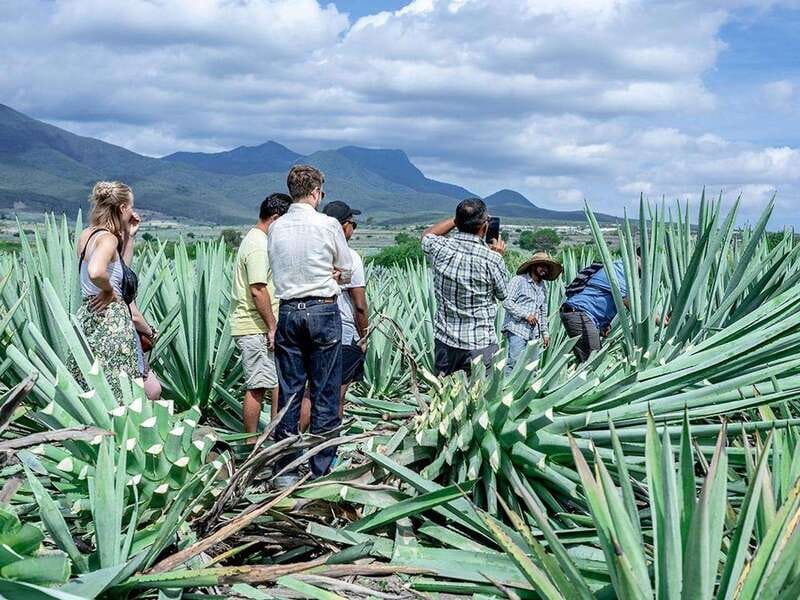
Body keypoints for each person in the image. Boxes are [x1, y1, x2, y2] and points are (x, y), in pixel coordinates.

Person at [268, 165, 353, 484]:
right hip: (323, 311)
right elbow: (345, 270)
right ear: (316, 192)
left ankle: (285, 469)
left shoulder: (276, 228)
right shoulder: (328, 224)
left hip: (288, 311)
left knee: (290, 390)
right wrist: (331, 274)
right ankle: (321, 468)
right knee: (325, 390)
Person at [421, 198, 509, 376]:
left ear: (458, 222)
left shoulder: (439, 248)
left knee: (443, 398)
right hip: (480, 344)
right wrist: (498, 256)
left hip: (446, 342)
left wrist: (458, 219)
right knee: (481, 399)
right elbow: (503, 294)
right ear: (484, 226)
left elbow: (426, 235)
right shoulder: (492, 259)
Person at [230, 192, 291, 443]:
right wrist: (272, 326)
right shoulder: (257, 245)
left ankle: (273, 437)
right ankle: (250, 443)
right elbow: (258, 289)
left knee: (274, 382)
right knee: (258, 386)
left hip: (260, 326)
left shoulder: (259, 241)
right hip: (255, 326)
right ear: (275, 218)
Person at [70, 181, 140, 400]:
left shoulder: (87, 234)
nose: (132, 212)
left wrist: (129, 236)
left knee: (88, 384)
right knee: (116, 388)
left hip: (88, 315)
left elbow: (120, 274)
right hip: (110, 322)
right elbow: (96, 271)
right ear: (122, 209)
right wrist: (108, 291)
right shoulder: (108, 238)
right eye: (130, 207)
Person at [322, 201, 368, 411]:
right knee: (337, 395)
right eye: (352, 223)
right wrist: (365, 336)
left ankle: (291, 439)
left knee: (313, 390)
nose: (353, 228)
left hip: (314, 329)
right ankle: (329, 441)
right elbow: (359, 305)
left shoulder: (315, 254)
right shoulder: (350, 257)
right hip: (344, 333)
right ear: (342, 227)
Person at [560, 256, 637, 362]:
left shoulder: (628, 274)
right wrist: (656, 319)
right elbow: (630, 302)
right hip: (580, 313)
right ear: (638, 257)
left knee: (588, 360)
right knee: (594, 360)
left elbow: (605, 298)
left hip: (584, 315)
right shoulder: (620, 269)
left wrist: (603, 325)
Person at [502, 252, 562, 376]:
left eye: (546, 267)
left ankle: (526, 392)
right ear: (533, 266)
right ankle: (505, 391)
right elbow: (507, 302)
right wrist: (526, 315)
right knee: (514, 362)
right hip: (517, 328)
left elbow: (542, 312)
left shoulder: (542, 287)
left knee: (532, 366)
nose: (544, 269)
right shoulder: (518, 281)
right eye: (541, 266)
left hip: (534, 333)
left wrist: (545, 333)